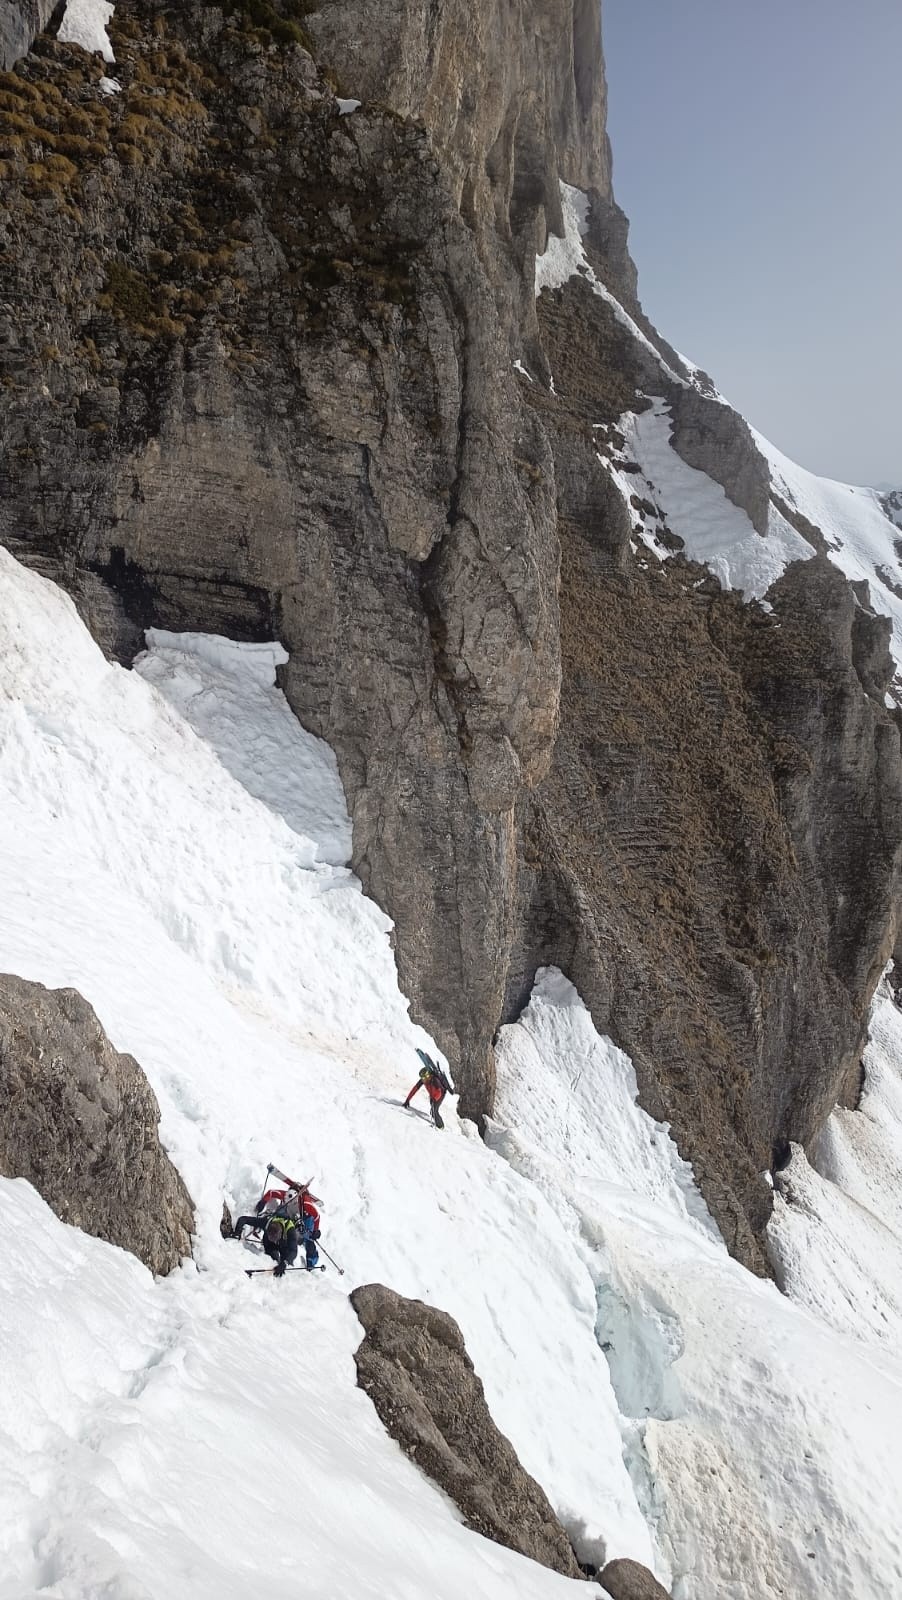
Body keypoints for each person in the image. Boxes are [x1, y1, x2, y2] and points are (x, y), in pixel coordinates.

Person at [232, 1188, 322, 1272]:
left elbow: (293, 1251)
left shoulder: (305, 1206)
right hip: (287, 1215)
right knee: (273, 1254)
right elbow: (244, 1219)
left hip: (305, 1217)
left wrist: (316, 1231)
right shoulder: (267, 1222)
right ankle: (275, 1255)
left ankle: (311, 1264)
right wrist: (263, 1202)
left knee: (308, 1239)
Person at [403, 1051, 452, 1129]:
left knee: (435, 1111)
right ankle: (437, 1120)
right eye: (423, 1078)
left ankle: (441, 1126)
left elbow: (439, 1092)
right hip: (433, 1095)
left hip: (441, 1094)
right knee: (433, 1110)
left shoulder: (435, 1080)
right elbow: (414, 1089)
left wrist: (434, 1099)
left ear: (428, 1076)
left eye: (425, 1078)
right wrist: (407, 1100)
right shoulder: (424, 1080)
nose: (424, 1080)